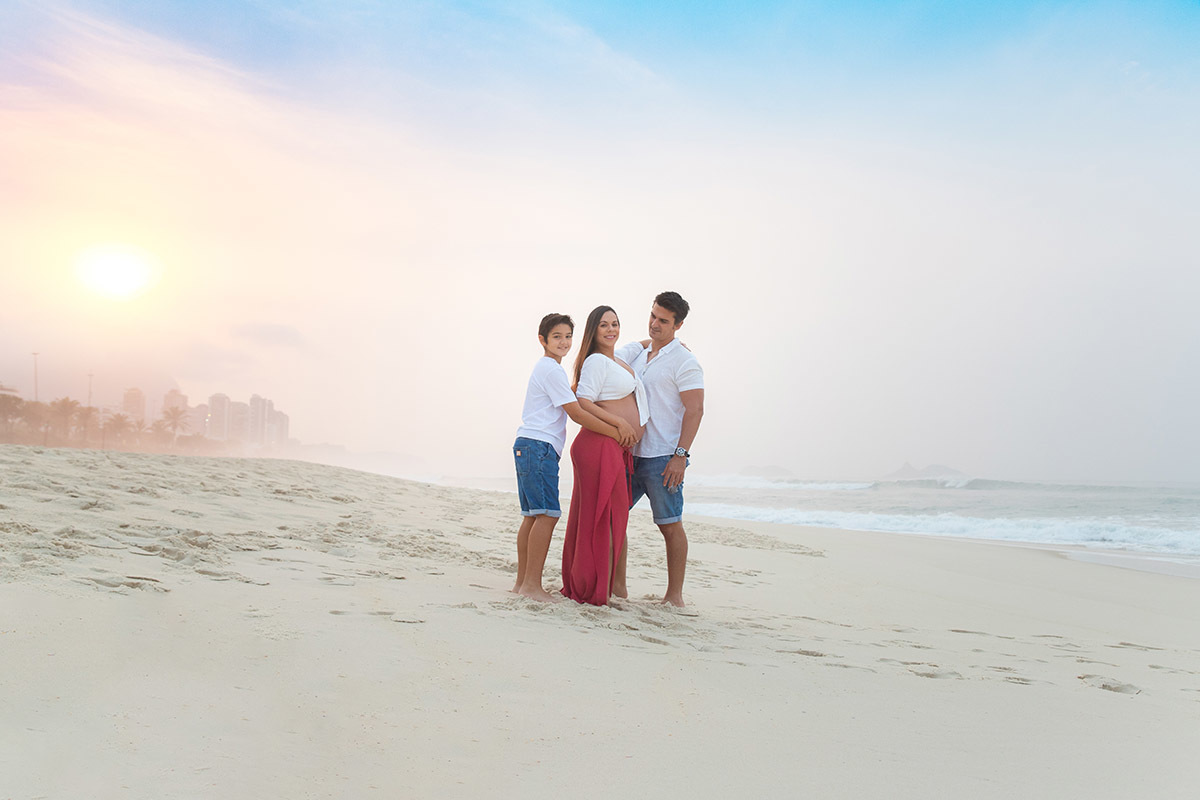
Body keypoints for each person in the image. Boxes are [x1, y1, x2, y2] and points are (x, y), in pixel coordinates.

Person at [512, 313, 632, 602]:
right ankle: (531, 586)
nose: (564, 342)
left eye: (568, 337)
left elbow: (571, 395)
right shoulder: (551, 370)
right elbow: (577, 412)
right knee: (547, 516)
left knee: (532, 516)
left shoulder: (548, 369)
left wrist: (644, 343)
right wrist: (617, 431)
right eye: (557, 337)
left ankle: (522, 583)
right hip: (539, 447)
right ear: (542, 340)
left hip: (529, 446)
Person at [615, 291, 704, 607]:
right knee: (614, 518)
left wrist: (680, 456)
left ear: (678, 325)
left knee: (669, 525)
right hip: (630, 453)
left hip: (663, 457)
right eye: (653, 316)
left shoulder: (685, 361)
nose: (654, 324)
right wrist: (645, 342)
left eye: (663, 321)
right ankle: (618, 588)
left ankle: (674, 596)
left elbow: (695, 410)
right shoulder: (639, 356)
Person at [560, 306, 646, 606]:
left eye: (615, 324)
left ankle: (609, 587)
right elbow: (583, 400)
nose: (611, 330)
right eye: (604, 325)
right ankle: (593, 589)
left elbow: (637, 346)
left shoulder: (616, 359)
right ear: (593, 331)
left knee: (612, 517)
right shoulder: (596, 361)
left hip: (613, 448)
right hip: (599, 446)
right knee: (602, 519)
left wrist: (658, 342)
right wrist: (619, 423)